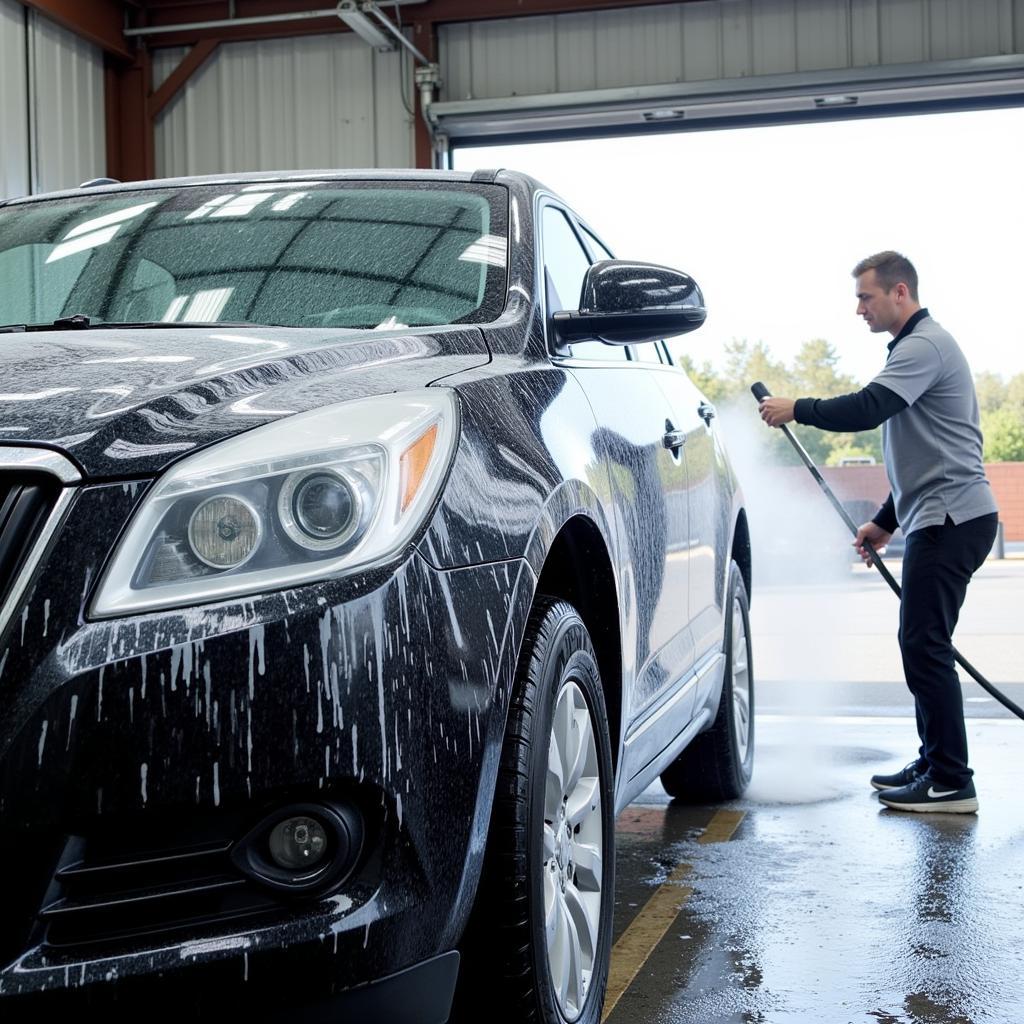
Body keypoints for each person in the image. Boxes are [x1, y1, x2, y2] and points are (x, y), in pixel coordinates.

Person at [759, 251, 998, 814]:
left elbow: (869, 407)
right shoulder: (918, 349)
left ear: (899, 293)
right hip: (939, 515)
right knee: (921, 643)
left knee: (924, 645)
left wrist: (799, 408)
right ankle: (936, 761)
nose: (858, 308)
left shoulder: (923, 346)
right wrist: (886, 521)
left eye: (866, 297)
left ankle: (950, 782)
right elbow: (928, 453)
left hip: (951, 520)